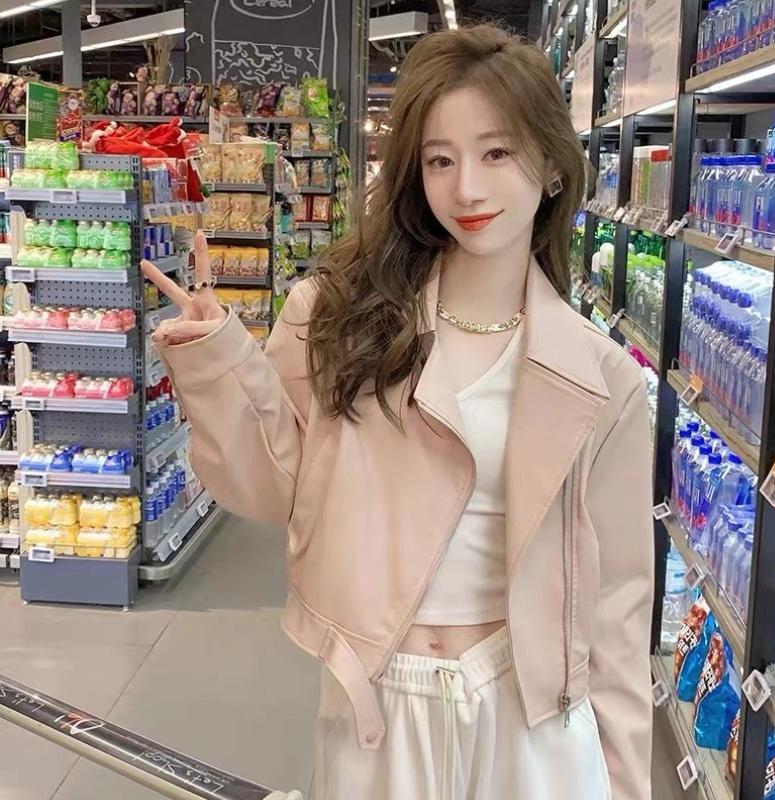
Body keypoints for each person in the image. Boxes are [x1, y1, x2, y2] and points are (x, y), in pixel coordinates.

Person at [144, 23, 654, 800]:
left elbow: (618, 602)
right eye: (440, 160)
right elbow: (275, 485)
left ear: (553, 165)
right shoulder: (342, 318)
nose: (468, 189)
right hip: (382, 696)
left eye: (497, 153)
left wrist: (625, 778)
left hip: (533, 717)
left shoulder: (604, 378)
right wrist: (218, 355)